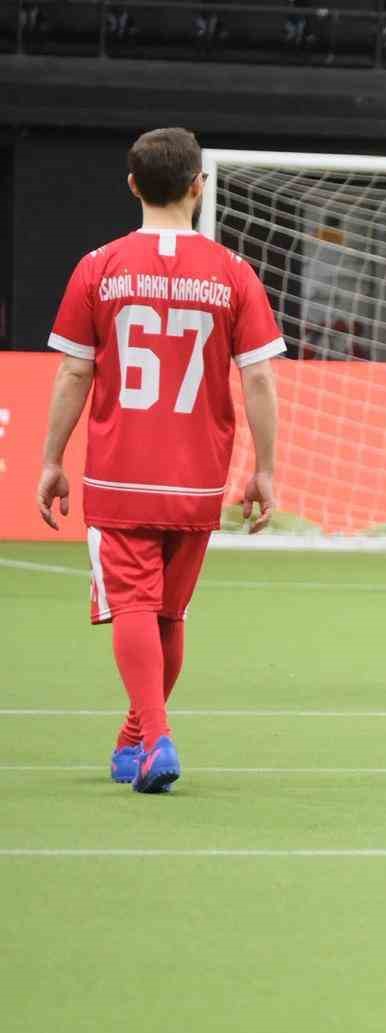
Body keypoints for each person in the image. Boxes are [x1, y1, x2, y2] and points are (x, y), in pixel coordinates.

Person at [36, 127, 283, 792]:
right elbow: (259, 378)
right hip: (198, 476)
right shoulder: (234, 272)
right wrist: (264, 470)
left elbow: (74, 373)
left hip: (121, 470)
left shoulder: (99, 266)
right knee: (168, 614)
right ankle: (135, 739)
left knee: (133, 608)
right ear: (199, 185)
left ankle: (157, 737)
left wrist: (52, 459)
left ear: (132, 185)